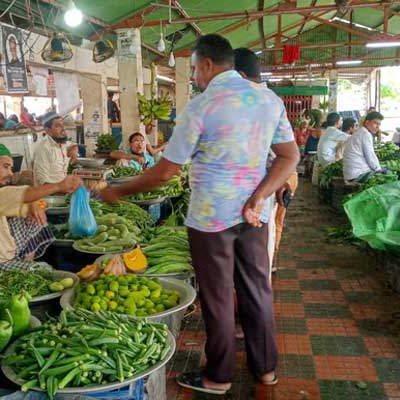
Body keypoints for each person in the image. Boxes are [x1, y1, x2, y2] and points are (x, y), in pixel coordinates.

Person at [101, 34, 299, 394]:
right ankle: (266, 369)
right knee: (257, 289)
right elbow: (290, 157)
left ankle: (218, 377)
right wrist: (259, 197)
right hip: (255, 216)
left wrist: (118, 190)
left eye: (193, 69)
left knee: (219, 297)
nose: (193, 76)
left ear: (207, 65)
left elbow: (164, 172)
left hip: (211, 220)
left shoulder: (201, 106)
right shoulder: (269, 101)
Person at [0, 144, 82, 283]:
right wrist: (58, 186)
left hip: (2, 253)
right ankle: (24, 272)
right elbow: (20, 194)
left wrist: (32, 204)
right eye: (5, 167)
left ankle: (25, 262)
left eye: (11, 168)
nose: (10, 173)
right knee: (44, 271)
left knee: (35, 218)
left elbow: (19, 199)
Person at [234, 46, 298, 272]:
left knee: (268, 230)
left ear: (239, 75)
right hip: (271, 182)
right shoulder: (266, 100)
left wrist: (273, 187)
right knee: (266, 232)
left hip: (273, 180)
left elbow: (285, 155)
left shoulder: (260, 102)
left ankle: (266, 269)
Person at [33, 112, 79, 186]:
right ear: (47, 130)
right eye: (58, 126)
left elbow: (72, 144)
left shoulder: (62, 142)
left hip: (62, 190)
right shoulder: (43, 148)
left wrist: (75, 148)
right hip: (49, 194)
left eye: (63, 124)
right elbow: (43, 182)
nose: (63, 128)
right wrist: (62, 188)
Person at [343, 111, 385, 183]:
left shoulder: (360, 132)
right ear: (367, 123)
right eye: (375, 123)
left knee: (384, 167)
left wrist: (378, 167)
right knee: (388, 172)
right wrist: (379, 169)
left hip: (351, 174)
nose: (377, 127)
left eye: (379, 124)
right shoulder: (366, 134)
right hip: (358, 175)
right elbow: (370, 157)